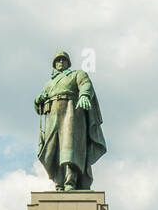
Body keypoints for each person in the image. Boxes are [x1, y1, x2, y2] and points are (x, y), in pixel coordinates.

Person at [34, 50, 107, 191]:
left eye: (63, 60)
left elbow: (85, 84)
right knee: (52, 149)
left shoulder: (76, 74)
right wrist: (38, 101)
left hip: (70, 112)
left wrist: (84, 95)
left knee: (69, 148)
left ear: (68, 62)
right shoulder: (49, 83)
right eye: (57, 60)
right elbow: (40, 105)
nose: (60, 62)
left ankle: (70, 181)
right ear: (54, 64)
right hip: (52, 115)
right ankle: (58, 182)